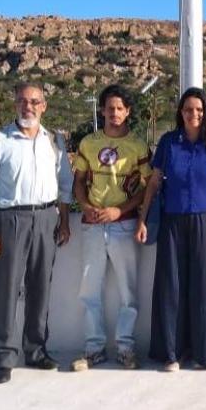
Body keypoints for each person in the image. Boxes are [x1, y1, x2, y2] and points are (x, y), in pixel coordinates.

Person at [135, 87, 206, 370]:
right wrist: (143, 219)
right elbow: (154, 181)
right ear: (180, 113)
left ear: (205, 112)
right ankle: (172, 352)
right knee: (171, 286)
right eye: (187, 109)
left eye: (198, 109)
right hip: (172, 221)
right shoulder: (169, 142)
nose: (193, 114)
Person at [0, 82, 73, 384]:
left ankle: (36, 350)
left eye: (34, 101)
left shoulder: (54, 141)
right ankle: (3, 358)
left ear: (44, 106)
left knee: (40, 287)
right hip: (11, 219)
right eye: (22, 101)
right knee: (7, 289)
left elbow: (64, 185)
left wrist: (64, 221)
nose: (28, 107)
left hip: (46, 218)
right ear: (15, 104)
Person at [70, 84, 150, 371]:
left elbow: (147, 188)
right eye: (109, 108)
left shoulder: (138, 146)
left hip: (124, 225)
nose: (114, 113)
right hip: (92, 226)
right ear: (102, 111)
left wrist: (120, 209)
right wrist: (85, 206)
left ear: (127, 111)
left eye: (119, 108)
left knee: (128, 291)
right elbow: (78, 182)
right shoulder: (88, 143)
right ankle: (94, 349)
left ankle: (126, 348)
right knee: (89, 290)